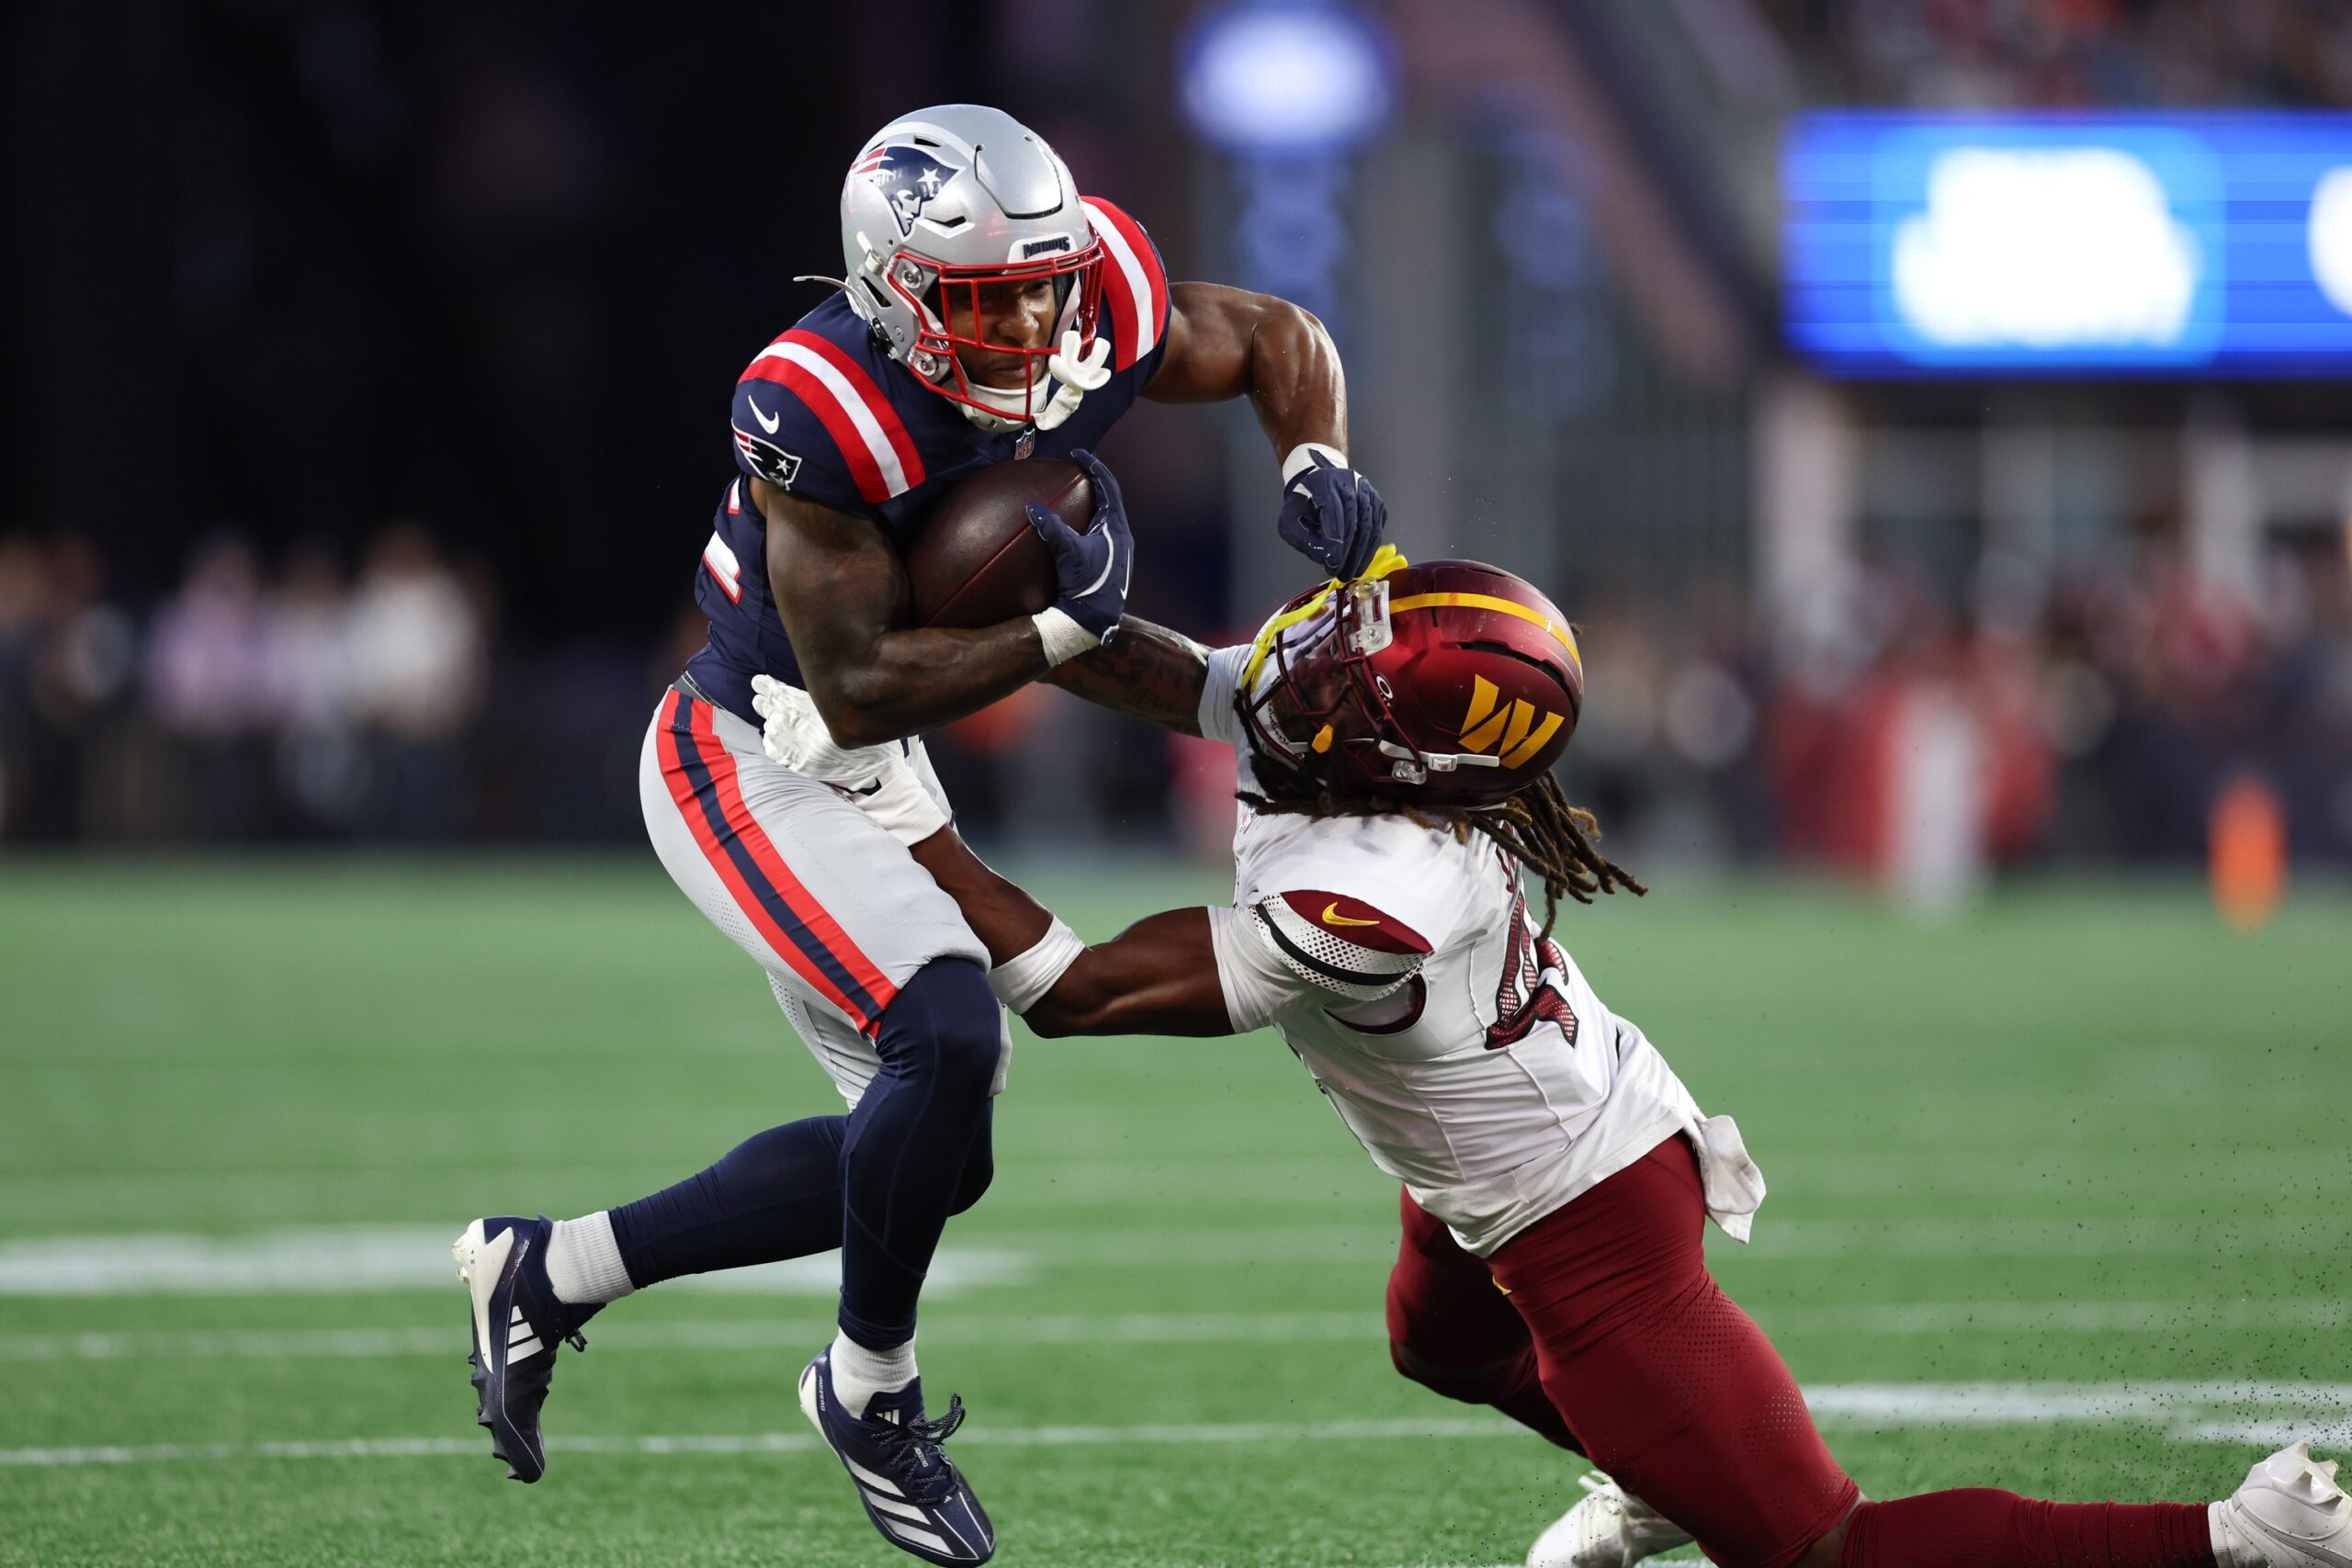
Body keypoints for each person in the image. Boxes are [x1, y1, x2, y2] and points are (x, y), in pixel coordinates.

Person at [763, 549, 2350, 1568]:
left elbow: (1076, 990)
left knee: (1822, 1550)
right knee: (1434, 1342)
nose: (1295, 672)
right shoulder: (1391, 765)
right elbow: (1181, 675)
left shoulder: (1375, 890)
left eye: (1337, 676)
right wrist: (1003, 622)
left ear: (1409, 758)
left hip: (1584, 1223)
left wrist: (913, 820)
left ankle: (2232, 1534)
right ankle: (1649, 1478)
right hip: (1527, 1146)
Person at [450, 103, 1387, 1567]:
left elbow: (1275, 337)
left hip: (876, 758)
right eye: (988, 295)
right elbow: (856, 676)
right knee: (945, 1039)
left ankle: (549, 1272)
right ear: (891, 285)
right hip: (751, 753)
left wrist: (1309, 468)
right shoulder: (815, 403)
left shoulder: (1092, 298)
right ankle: (865, 1393)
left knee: (935, 1155)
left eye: (1045, 283)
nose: (1031, 319)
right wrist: (1065, 623)